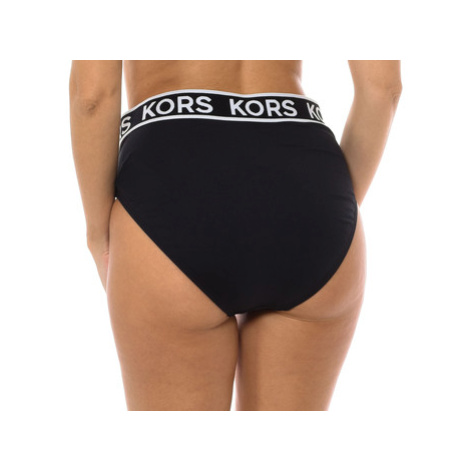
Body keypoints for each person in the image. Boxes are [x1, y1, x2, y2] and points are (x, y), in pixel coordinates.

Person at [69, 60, 402, 410]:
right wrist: (333, 212)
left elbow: (92, 96)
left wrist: (98, 234)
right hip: (308, 182)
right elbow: (383, 89)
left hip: (174, 173)